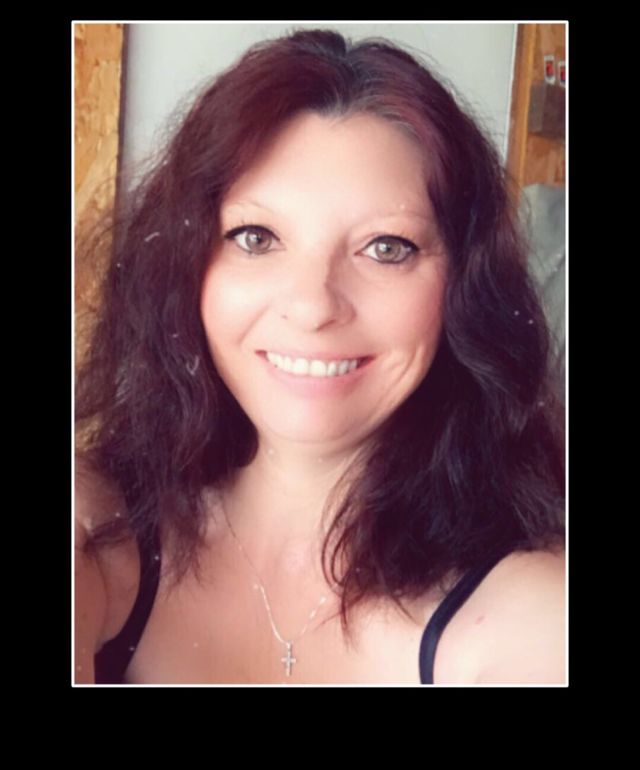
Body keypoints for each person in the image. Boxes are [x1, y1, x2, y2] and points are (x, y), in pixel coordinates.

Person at [74, 28, 566, 686]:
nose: (312, 306)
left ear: (464, 291)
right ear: (185, 267)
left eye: (386, 248)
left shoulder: (532, 614)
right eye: (256, 237)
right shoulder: (102, 545)